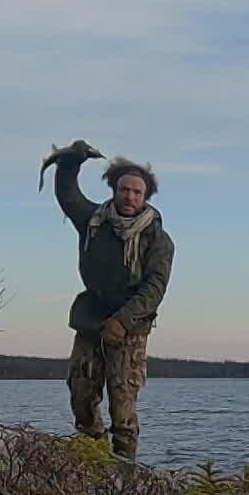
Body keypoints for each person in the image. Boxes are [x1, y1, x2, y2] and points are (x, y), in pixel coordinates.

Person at [40, 139, 175, 461]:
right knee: (81, 395)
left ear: (146, 196)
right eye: (124, 190)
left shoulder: (158, 239)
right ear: (114, 190)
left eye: (137, 192)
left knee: (122, 403)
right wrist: (71, 161)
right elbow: (67, 195)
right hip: (91, 318)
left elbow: (155, 287)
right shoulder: (93, 220)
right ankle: (95, 458)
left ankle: (125, 470)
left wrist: (123, 321)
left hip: (130, 326)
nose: (130, 196)